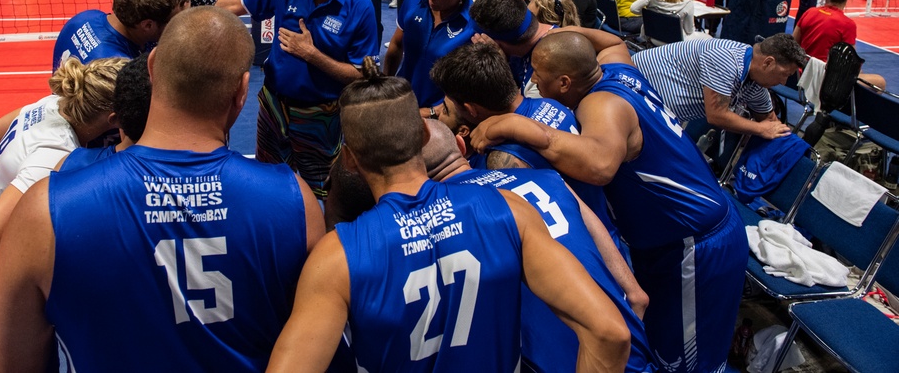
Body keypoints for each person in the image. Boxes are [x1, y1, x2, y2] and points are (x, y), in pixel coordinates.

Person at [0, 8, 324, 372]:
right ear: (243, 91)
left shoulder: (44, 211)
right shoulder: (294, 201)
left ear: (151, 67)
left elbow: (11, 364)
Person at [266, 61, 631, 373]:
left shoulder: (336, 258)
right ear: (425, 134)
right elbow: (609, 333)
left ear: (349, 160)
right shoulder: (508, 210)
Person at [469, 29, 750, 373]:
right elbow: (614, 42)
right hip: (671, 240)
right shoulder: (618, 70)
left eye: (539, 78)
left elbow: (599, 166)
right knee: (658, 344)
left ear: (564, 83)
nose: (535, 85)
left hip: (695, 245)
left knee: (687, 364)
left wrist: (517, 125)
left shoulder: (601, 104)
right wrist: (550, 33)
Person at [421, 121, 656, 373]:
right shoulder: (547, 177)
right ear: (460, 145)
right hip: (627, 346)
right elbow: (600, 236)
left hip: (569, 360)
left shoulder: (446, 221)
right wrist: (633, 296)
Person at [0, 57, 127, 373]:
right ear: (114, 119)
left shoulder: (55, 102)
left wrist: (1, 186)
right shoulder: (52, 155)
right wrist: (13, 318)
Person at [217, 0, 378, 198]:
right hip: (273, 105)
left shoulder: (360, 8)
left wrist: (310, 54)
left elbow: (362, 75)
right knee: (268, 182)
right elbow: (239, 5)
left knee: (324, 188)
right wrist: (189, 13)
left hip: (320, 115)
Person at [632, 34, 805, 140]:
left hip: (655, 109)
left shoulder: (756, 81)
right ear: (768, 62)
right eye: (785, 74)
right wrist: (760, 129)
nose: (783, 82)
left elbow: (772, 123)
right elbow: (717, 116)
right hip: (633, 92)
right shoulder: (726, 59)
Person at [384, 0, 478, 111]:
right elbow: (396, 45)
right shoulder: (414, 0)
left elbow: (474, 88)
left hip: (440, 117)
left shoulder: (476, 24)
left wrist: (434, 113)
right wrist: (384, 86)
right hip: (402, 102)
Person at [53, 0, 189, 71]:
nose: (183, 25)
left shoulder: (85, 17)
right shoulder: (118, 69)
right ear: (148, 25)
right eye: (177, 20)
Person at [793, 0, 887, 90]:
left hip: (800, 74)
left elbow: (793, 44)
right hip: (823, 81)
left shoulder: (809, 12)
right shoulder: (847, 24)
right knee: (879, 82)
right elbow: (850, 63)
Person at [469, 0, 559, 94]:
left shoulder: (545, 76)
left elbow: (515, 107)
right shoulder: (530, 39)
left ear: (495, 43)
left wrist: (498, 68)